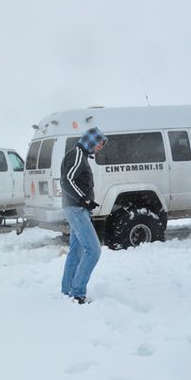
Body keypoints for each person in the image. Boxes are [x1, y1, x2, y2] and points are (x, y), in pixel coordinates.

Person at [60, 127, 106, 304]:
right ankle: (78, 293)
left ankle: (67, 289)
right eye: (99, 144)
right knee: (93, 250)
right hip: (76, 209)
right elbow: (67, 180)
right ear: (91, 141)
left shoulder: (79, 154)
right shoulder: (78, 154)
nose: (99, 148)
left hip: (74, 208)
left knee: (76, 250)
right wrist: (84, 200)